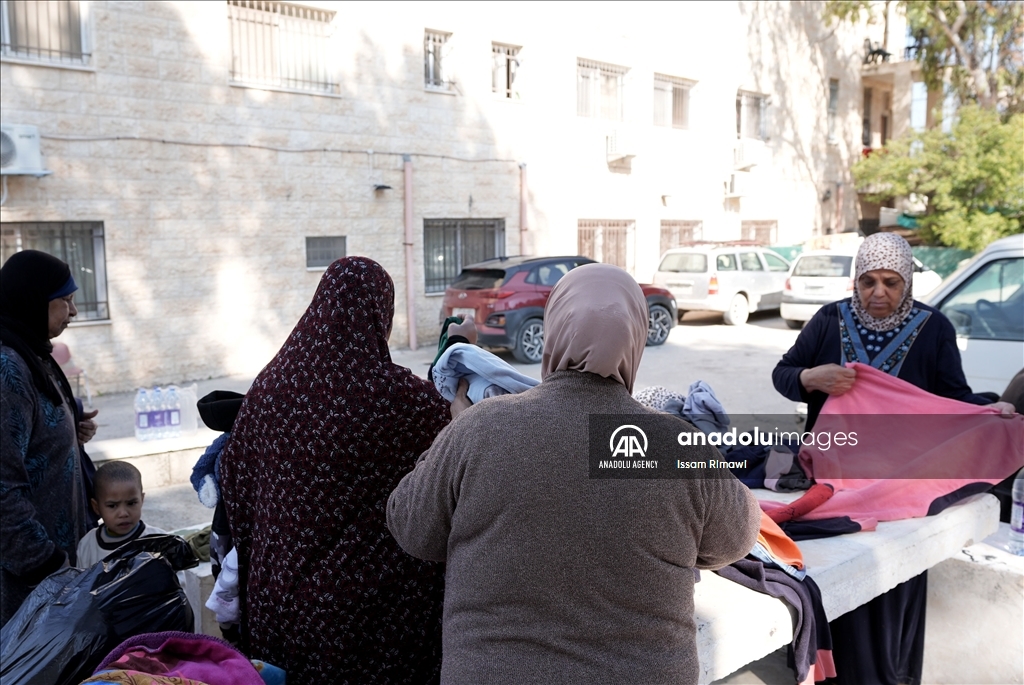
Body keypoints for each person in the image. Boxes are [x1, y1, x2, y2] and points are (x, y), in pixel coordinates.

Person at [387, 263, 761, 684]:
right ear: (635, 338)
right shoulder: (673, 444)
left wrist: (454, 432)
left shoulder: (480, 427)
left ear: (554, 330)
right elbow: (738, 537)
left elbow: (412, 526)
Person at [772, 232, 1014, 685]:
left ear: (907, 283)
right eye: (867, 281)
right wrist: (811, 377)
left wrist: (988, 411)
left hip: (902, 483)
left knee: (895, 576)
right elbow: (782, 375)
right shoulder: (828, 321)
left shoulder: (933, 328)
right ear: (854, 280)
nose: (878, 293)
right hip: (832, 473)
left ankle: (891, 676)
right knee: (840, 577)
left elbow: (952, 399)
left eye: (890, 282)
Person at [218, 257, 452, 683]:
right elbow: (457, 451)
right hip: (370, 620)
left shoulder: (268, 388)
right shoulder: (401, 401)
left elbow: (234, 483)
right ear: (382, 315)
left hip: (277, 605)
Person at [0, 250, 96, 626]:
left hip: (54, 571)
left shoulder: (33, 351)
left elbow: (30, 441)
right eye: (66, 300)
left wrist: (73, 433)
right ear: (35, 300)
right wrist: (47, 565)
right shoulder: (7, 366)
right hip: (28, 581)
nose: (73, 311)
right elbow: (2, 487)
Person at [75, 461, 167, 568]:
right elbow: (81, 583)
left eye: (131, 503)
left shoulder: (160, 542)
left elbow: (179, 581)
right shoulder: (87, 545)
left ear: (142, 500)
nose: (123, 513)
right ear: (96, 507)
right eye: (112, 506)